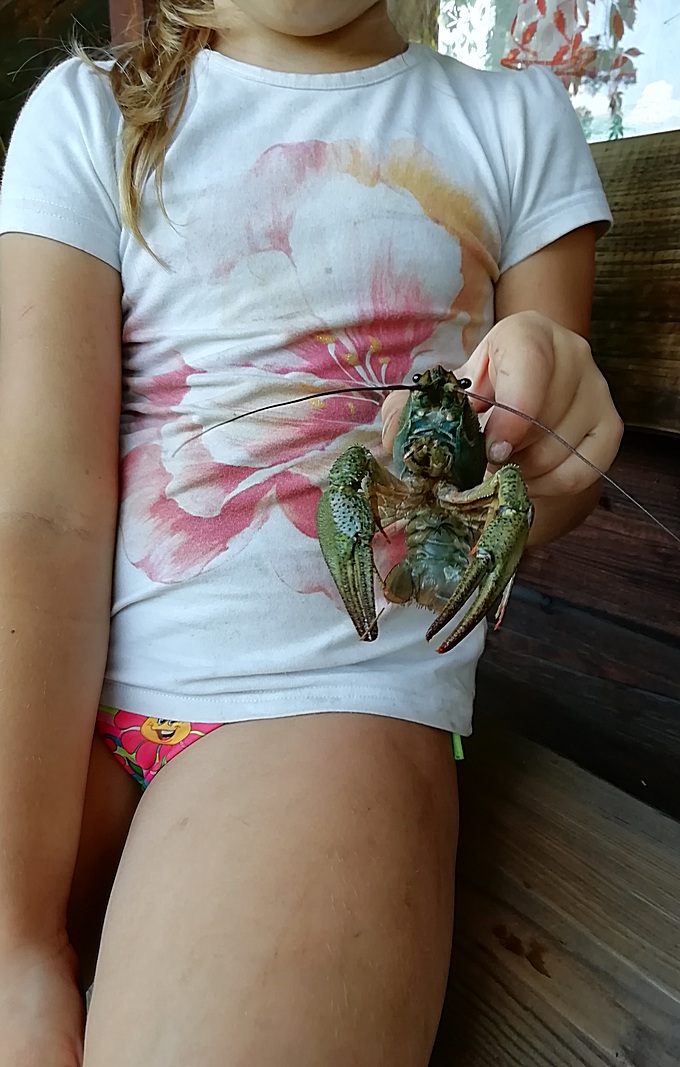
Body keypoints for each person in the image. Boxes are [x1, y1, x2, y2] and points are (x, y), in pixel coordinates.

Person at [0, 1, 622, 1063]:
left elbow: (530, 475)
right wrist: (15, 942)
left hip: (325, 706)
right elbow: (40, 509)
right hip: (59, 705)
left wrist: (555, 427)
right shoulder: (83, 116)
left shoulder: (517, 123)